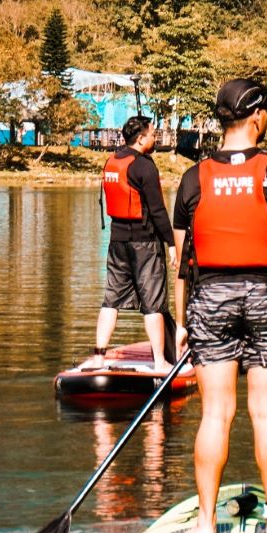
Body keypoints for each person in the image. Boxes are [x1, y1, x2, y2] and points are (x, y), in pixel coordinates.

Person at [173, 76, 267, 533]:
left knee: (215, 413)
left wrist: (181, 322)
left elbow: (182, 261)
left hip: (209, 298)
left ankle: (203, 524)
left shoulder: (193, 178)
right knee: (266, 411)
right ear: (257, 116)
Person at [94, 115, 177, 369]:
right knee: (153, 302)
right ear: (141, 139)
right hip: (145, 243)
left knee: (111, 299)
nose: (156, 137)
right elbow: (158, 211)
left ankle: (99, 356)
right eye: (153, 134)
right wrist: (172, 243)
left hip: (117, 241)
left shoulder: (112, 160)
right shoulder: (144, 166)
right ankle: (160, 362)